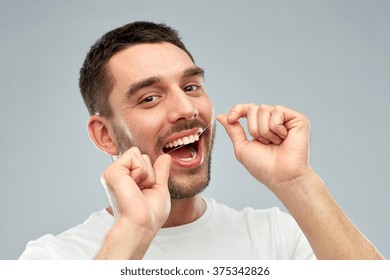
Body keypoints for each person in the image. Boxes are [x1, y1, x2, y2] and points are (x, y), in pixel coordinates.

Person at [19, 21, 383, 260]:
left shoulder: (277, 237)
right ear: (104, 135)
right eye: (150, 97)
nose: (186, 108)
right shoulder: (55, 258)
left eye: (191, 86)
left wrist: (297, 183)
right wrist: (133, 231)